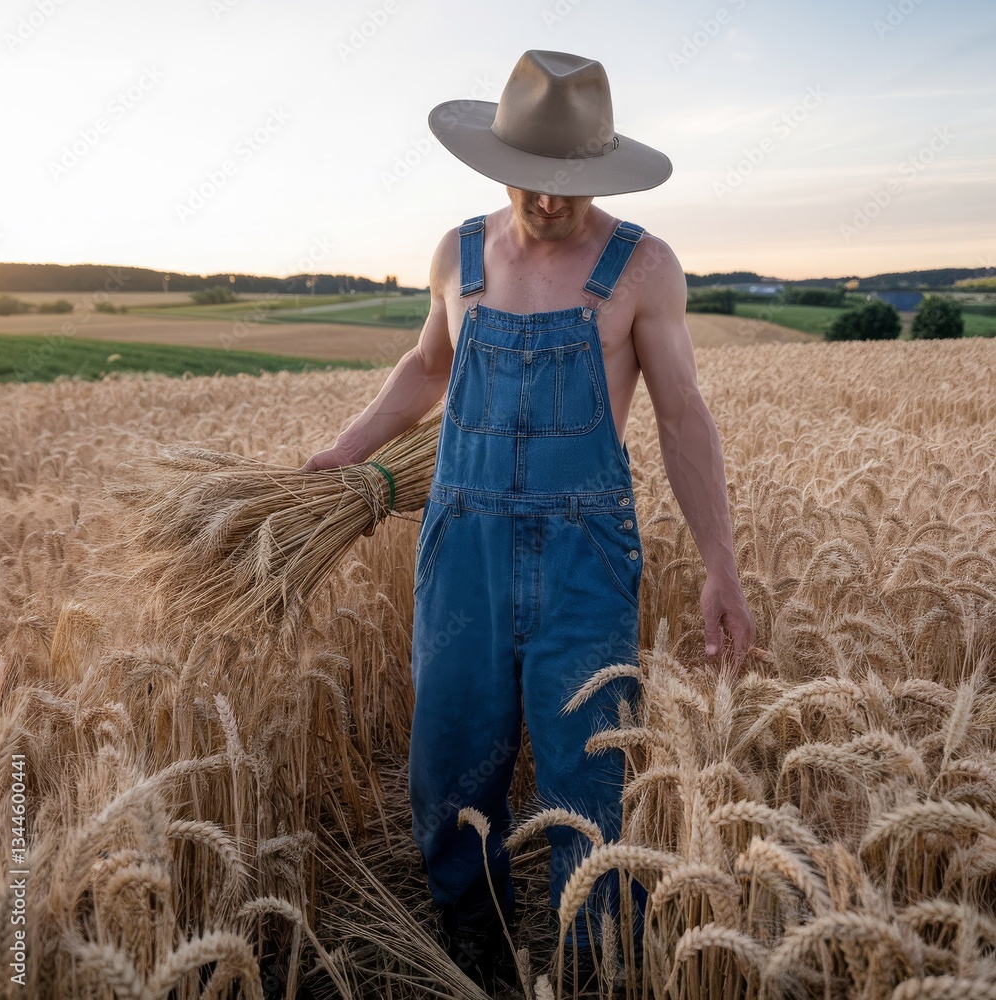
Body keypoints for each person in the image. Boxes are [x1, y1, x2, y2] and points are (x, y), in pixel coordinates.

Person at [303, 49, 754, 994]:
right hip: (459, 547)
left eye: (571, 186)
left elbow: (681, 415)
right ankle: (477, 944)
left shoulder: (643, 266)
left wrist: (721, 564)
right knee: (449, 771)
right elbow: (428, 368)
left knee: (589, 777)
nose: (550, 202)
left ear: (601, 170)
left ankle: (592, 967)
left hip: (586, 556)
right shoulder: (458, 255)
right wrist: (348, 449)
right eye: (534, 183)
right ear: (496, 161)